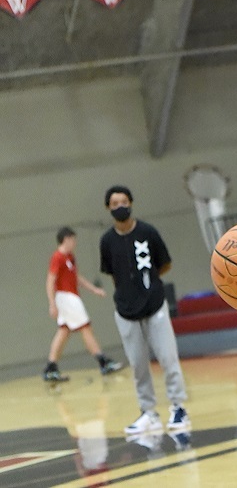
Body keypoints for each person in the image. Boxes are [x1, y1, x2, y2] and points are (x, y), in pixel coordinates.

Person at [99, 185, 191, 436]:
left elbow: (165, 263)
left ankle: (178, 407)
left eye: (124, 202)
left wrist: (147, 284)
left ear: (131, 203)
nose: (120, 207)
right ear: (108, 208)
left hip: (154, 306)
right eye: (115, 203)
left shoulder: (147, 232)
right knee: (138, 365)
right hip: (126, 311)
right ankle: (148, 413)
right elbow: (112, 273)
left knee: (168, 359)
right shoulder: (107, 241)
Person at [43, 226, 124, 382]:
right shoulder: (57, 257)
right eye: (73, 240)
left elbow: (76, 277)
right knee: (85, 328)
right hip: (66, 297)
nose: (75, 243)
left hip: (70, 297)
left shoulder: (70, 257)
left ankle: (51, 368)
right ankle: (103, 361)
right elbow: (50, 281)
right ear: (66, 239)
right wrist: (52, 303)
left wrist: (94, 290)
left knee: (64, 331)